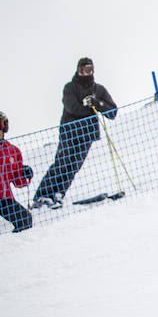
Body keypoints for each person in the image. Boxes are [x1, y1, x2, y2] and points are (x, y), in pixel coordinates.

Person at [31, 57, 117, 209]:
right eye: (82, 70)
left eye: (88, 70)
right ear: (78, 70)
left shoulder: (99, 90)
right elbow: (72, 107)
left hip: (88, 134)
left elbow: (112, 112)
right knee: (62, 161)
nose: (85, 73)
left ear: (93, 71)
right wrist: (88, 107)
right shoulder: (70, 87)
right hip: (70, 131)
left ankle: (58, 193)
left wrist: (97, 103)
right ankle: (42, 194)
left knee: (74, 166)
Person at [0, 111, 34, 233]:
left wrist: (25, 174)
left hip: (4, 199)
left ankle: (17, 244)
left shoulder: (12, 151)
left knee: (25, 220)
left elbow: (18, 182)